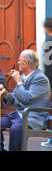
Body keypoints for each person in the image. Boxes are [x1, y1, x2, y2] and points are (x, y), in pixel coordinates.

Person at [0, 49, 51, 151]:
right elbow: (13, 99)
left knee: (16, 130)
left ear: (26, 63)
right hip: (19, 116)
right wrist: (5, 92)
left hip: (31, 118)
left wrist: (19, 83)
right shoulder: (23, 77)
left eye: (20, 60)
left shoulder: (40, 79)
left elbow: (27, 99)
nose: (18, 62)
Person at [41, 18, 52, 148]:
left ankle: (51, 139)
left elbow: (48, 66)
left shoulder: (48, 43)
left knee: (50, 112)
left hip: (51, 81)